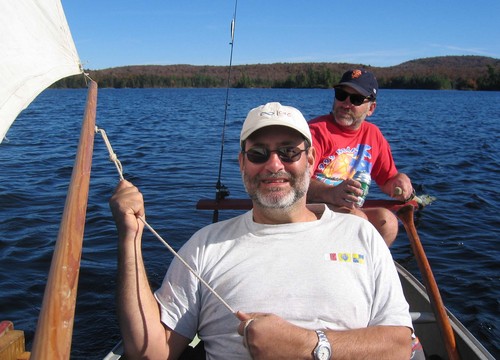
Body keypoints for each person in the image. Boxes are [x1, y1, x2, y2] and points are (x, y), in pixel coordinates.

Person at [110, 102, 413, 359]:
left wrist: (309, 346)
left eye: (288, 152)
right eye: (258, 154)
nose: (273, 164)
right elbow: (150, 352)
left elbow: (399, 346)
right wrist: (130, 236)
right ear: (242, 163)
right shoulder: (205, 245)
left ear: (310, 161)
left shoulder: (361, 234)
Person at [307, 69, 414, 246]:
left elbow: (388, 179)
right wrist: (330, 193)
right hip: (309, 208)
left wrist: (399, 181)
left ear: (371, 108)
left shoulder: (373, 135)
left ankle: (364, 269)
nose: (346, 103)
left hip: (348, 210)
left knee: (387, 222)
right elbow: (295, 183)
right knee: (358, 219)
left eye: (356, 99)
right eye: (341, 95)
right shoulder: (315, 132)